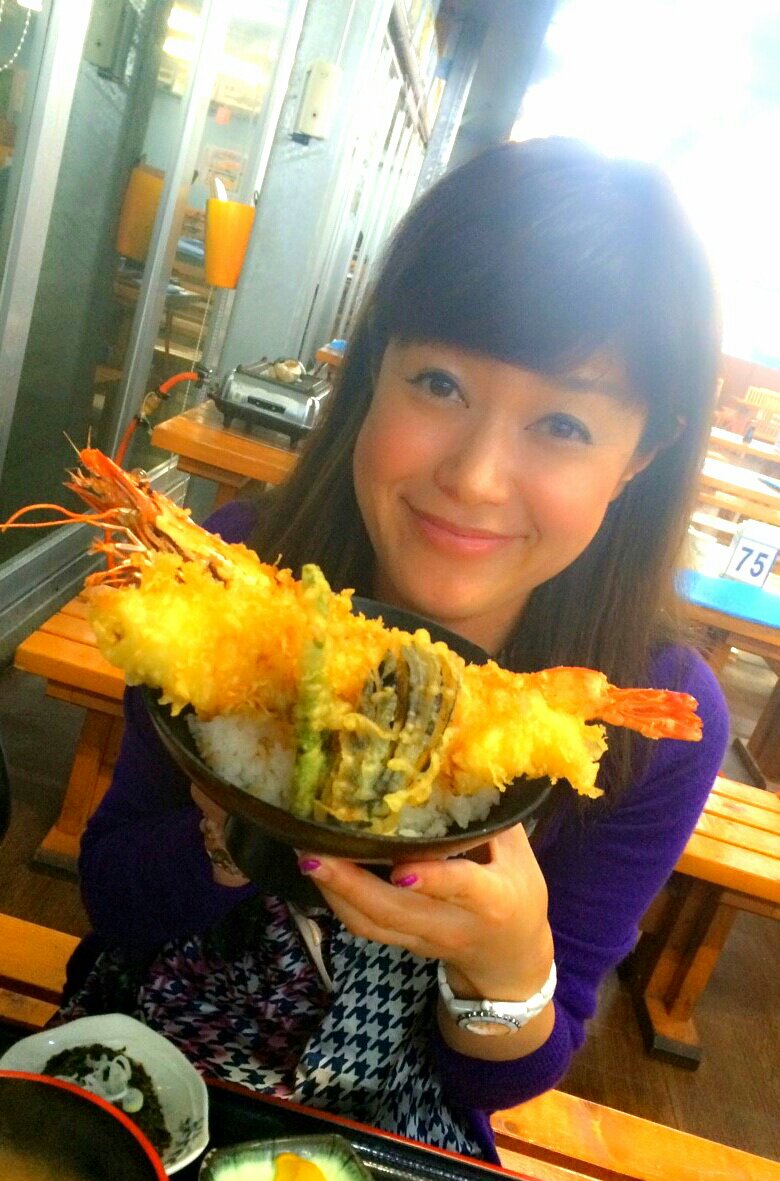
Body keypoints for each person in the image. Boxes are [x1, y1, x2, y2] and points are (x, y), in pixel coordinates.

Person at [62, 138, 729, 1161]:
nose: (475, 477)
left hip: (390, 1117)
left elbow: (502, 1074)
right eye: (441, 383)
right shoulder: (233, 574)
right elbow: (112, 892)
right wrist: (230, 835)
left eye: (561, 423)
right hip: (155, 1047)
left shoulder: (658, 714)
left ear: (640, 452)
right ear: (375, 362)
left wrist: (512, 962)